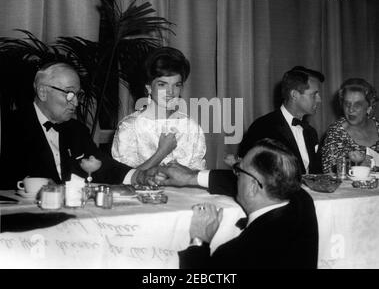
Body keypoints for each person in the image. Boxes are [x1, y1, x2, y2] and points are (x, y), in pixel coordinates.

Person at [159, 139, 318, 269]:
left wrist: (199, 241)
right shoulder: (302, 202)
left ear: (253, 186)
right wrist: (191, 177)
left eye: (238, 171)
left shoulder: (235, 254)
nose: (235, 176)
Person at [0, 62, 149, 190]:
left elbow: (102, 164)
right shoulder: (9, 126)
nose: (76, 103)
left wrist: (140, 176)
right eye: (69, 94)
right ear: (43, 92)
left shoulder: (77, 130)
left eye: (77, 95)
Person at [112, 47, 206, 171]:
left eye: (177, 85)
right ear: (149, 87)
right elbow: (124, 179)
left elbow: (197, 176)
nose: (171, 92)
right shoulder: (130, 127)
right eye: (162, 84)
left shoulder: (191, 127)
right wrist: (161, 152)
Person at [238, 66, 324, 174]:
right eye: (314, 94)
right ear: (294, 95)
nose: (319, 99)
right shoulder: (262, 127)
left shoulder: (310, 132)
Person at [321, 78, 379, 173]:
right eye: (347, 104)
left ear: (369, 107)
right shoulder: (336, 132)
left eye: (357, 105)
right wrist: (358, 166)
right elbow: (329, 173)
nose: (351, 110)